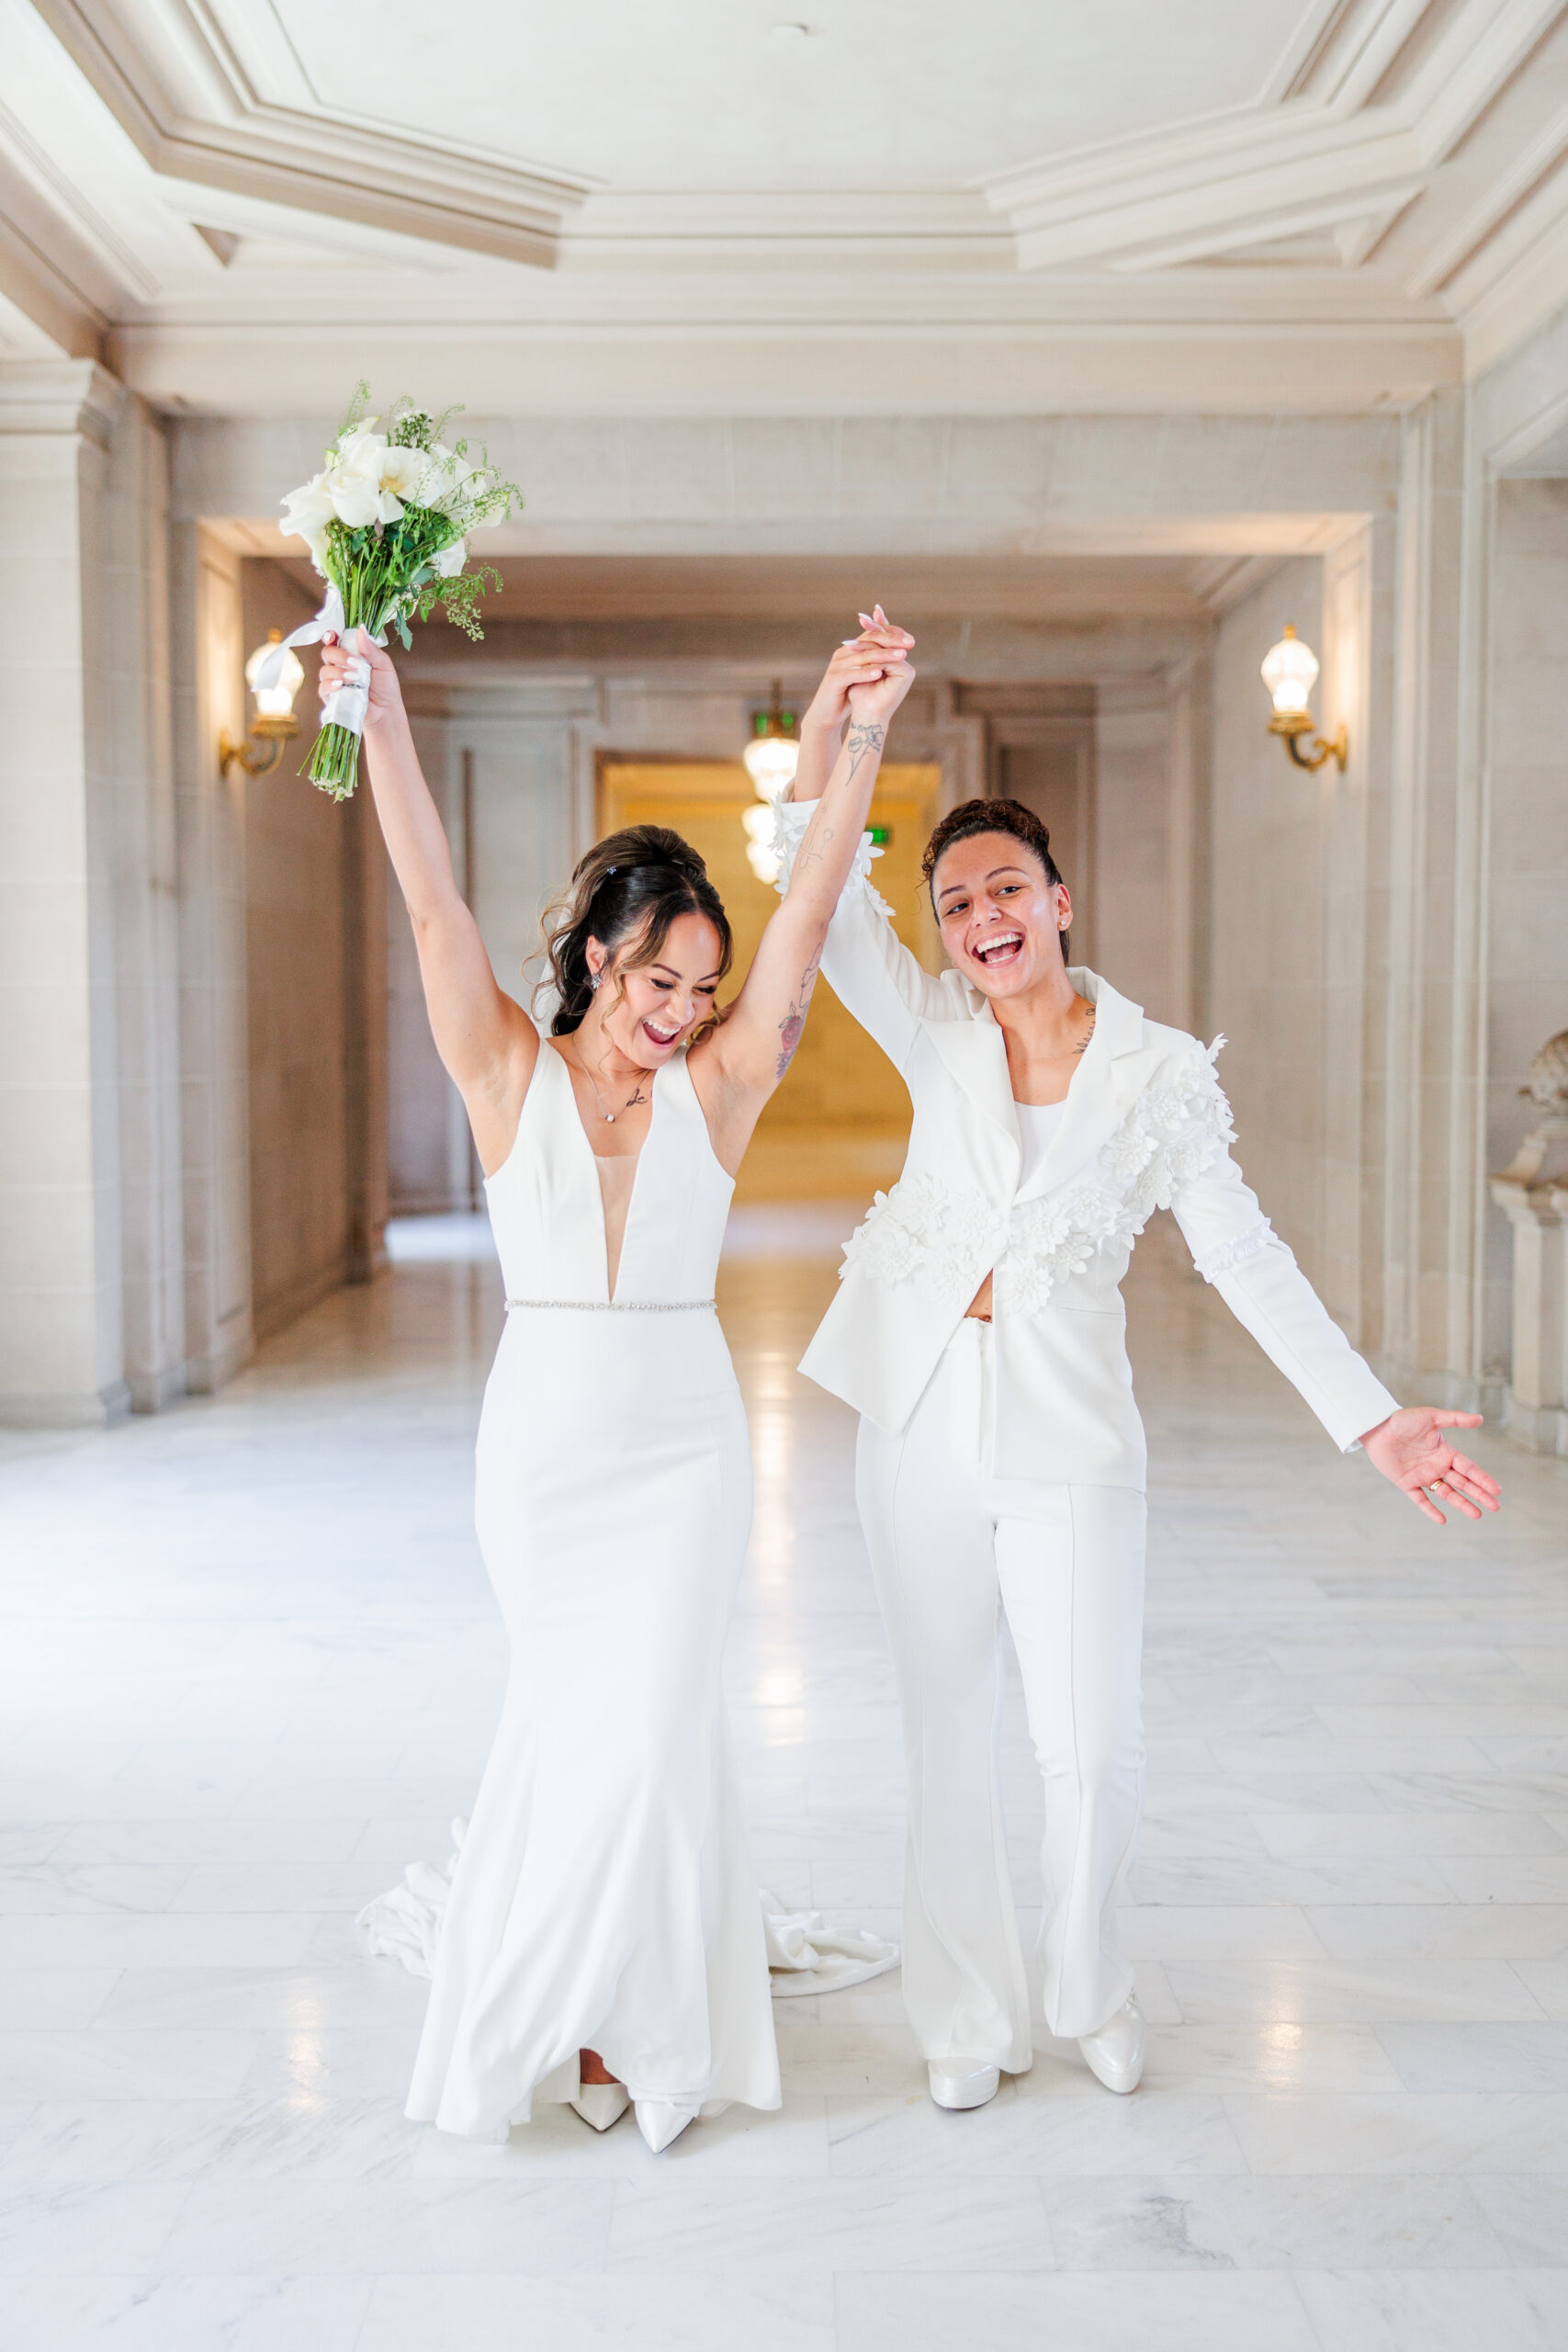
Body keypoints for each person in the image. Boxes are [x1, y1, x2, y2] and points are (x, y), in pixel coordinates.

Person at [779, 676, 1502, 2116]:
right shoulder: (931, 1028)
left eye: (1005, 888)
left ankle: (1091, 1987)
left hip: (1073, 1438)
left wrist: (1371, 1417)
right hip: (917, 1423)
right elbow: (820, 876)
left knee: (1092, 1743)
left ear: (1059, 901)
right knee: (947, 1736)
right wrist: (837, 725)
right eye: (955, 903)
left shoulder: (1159, 1073)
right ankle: (965, 2016)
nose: (981, 917)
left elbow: (1242, 1253)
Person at [321, 607, 915, 2153]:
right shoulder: (506, 1071)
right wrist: (382, 717)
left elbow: (809, 916)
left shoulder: (718, 1090)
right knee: (577, 1722)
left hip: (684, 1454)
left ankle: (630, 2027)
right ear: (599, 956)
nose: (681, 1013)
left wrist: (856, 732)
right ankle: (593, 2015)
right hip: (542, 1459)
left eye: (700, 989)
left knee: (653, 1728)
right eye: (659, 981)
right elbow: (432, 902)